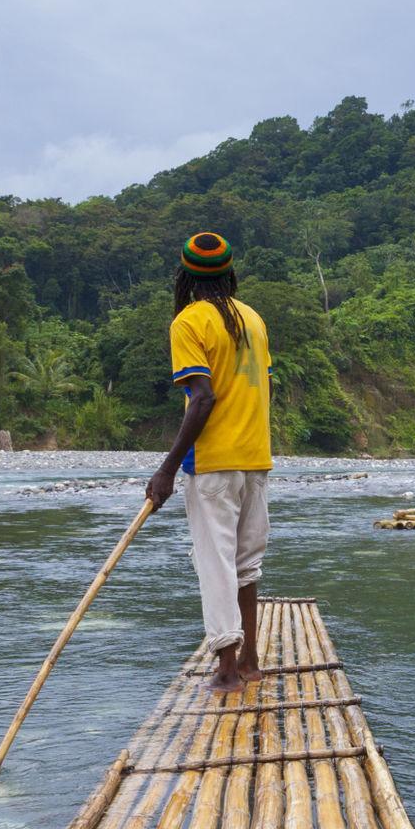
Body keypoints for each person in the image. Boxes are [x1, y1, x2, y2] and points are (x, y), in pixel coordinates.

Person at [144, 231, 273, 694]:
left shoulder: (189, 322)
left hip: (214, 463)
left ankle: (226, 670)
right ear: (227, 271)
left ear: (185, 275)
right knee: (246, 564)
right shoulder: (253, 319)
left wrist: (167, 469)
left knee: (215, 565)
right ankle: (252, 661)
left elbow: (202, 398)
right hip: (255, 459)